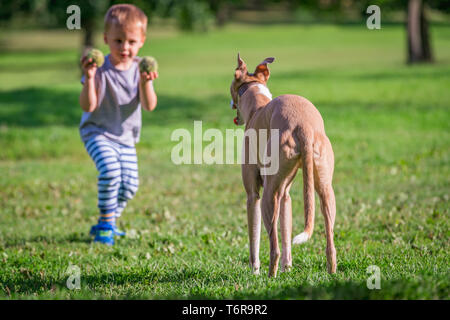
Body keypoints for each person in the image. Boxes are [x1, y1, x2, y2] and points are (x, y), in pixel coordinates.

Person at [79, 4, 158, 245]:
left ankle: (110, 220)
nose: (125, 47)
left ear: (142, 40)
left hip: (126, 137)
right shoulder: (99, 68)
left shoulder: (141, 68)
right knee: (111, 172)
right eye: (118, 40)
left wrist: (146, 83)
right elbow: (88, 106)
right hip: (97, 132)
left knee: (130, 186)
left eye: (131, 41)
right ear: (106, 39)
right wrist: (90, 79)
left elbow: (149, 105)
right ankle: (105, 224)